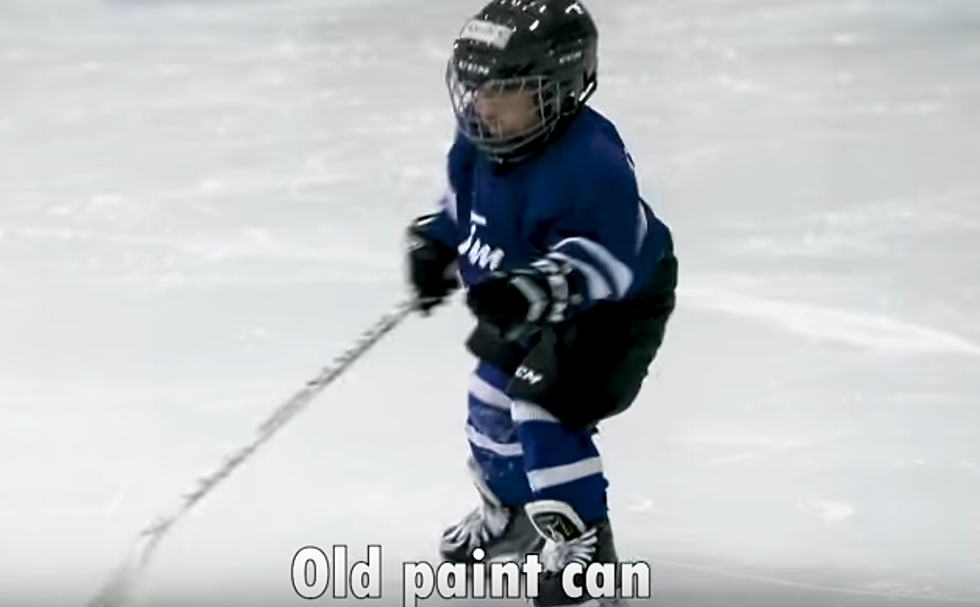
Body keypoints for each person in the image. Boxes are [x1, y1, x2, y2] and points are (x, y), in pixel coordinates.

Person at [405, 0, 677, 604]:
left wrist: (540, 286)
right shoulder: (483, 137)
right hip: (524, 296)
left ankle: (586, 555)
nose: (480, 103)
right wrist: (435, 240)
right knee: (489, 401)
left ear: (557, 89)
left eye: (503, 89)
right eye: (473, 85)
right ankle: (518, 522)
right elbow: (465, 205)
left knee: (541, 409)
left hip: (612, 310)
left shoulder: (592, 161)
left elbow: (614, 258)